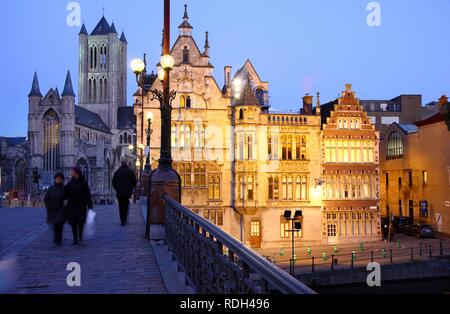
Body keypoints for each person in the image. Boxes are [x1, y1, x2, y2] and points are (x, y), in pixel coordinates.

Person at [64, 167, 93, 246]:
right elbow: (65, 192)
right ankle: (75, 239)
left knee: (80, 222)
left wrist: (90, 205)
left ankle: (80, 237)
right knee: (73, 223)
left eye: (72, 171)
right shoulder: (70, 183)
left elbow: (88, 194)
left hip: (81, 205)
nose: (71, 173)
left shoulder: (83, 183)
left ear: (77, 173)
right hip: (72, 206)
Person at [112, 158, 137, 226]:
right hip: (127, 192)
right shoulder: (130, 171)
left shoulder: (117, 172)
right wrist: (130, 188)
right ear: (126, 163)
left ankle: (122, 220)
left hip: (120, 192)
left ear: (121, 163)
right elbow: (134, 181)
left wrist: (117, 188)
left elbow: (113, 182)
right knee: (126, 206)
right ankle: (124, 219)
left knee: (120, 206)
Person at [44, 173, 66, 246]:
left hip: (61, 209)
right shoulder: (51, 188)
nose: (58, 180)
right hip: (52, 209)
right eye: (57, 179)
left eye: (60, 179)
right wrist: (48, 206)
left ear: (62, 180)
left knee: (60, 225)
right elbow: (46, 198)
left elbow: (67, 198)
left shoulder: (64, 188)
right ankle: (56, 239)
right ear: (55, 179)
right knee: (55, 225)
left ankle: (58, 240)